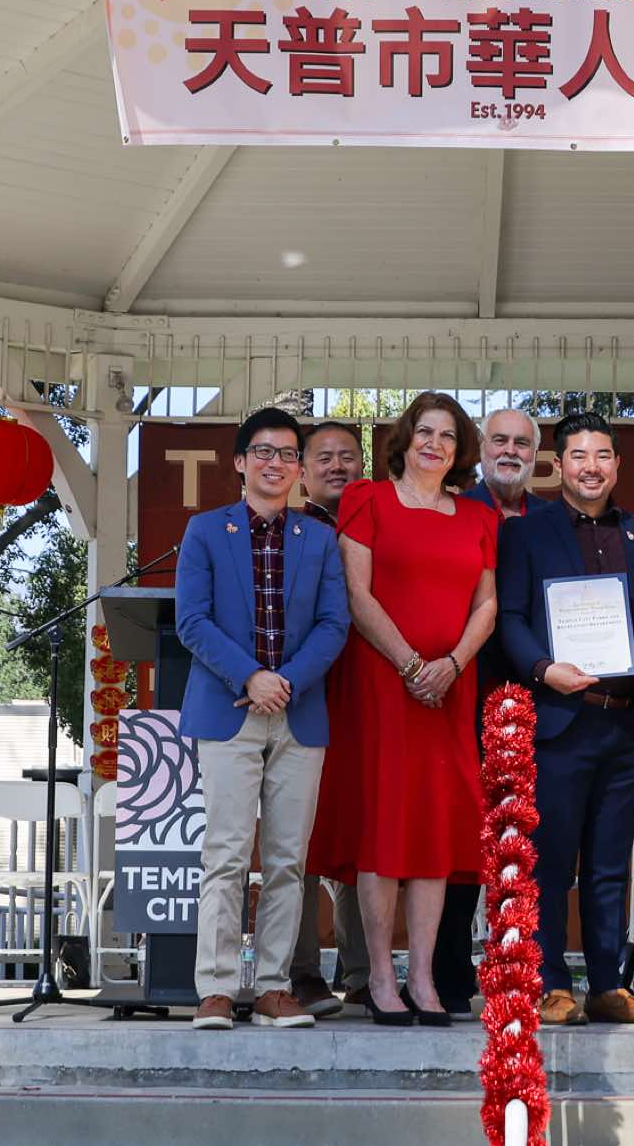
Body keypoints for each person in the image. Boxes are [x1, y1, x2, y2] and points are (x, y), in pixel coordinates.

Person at [306, 391, 499, 1027]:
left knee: (434, 831)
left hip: (449, 690)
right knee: (385, 828)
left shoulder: (478, 517)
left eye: (447, 436)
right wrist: (413, 665)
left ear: (459, 450)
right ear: (405, 439)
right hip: (383, 685)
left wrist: (452, 665)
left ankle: (422, 976)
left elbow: (487, 605)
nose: (434, 444)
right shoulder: (368, 500)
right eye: (424, 431)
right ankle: (381, 978)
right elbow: (356, 595)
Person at [175, 407, 351, 1031]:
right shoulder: (205, 531)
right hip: (228, 712)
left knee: (287, 861)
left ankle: (275, 986)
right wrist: (250, 677)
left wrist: (287, 681)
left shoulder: (319, 538)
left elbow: (334, 623)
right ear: (240, 462)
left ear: (299, 469)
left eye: (287, 454)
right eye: (264, 452)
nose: (276, 463)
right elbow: (191, 620)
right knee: (225, 855)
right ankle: (217, 989)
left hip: (298, 715)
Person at [496, 411, 634, 1026]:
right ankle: (550, 985)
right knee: (551, 861)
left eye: (601, 456)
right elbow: (509, 618)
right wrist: (544, 669)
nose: (590, 467)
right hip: (559, 719)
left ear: (617, 464)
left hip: (623, 725)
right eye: (578, 456)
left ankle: (607, 985)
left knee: (609, 864)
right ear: (558, 465)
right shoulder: (526, 533)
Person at [435, 406, 548, 1020]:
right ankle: (448, 975)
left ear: (536, 455)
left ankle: (530, 976)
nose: (510, 451)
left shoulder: (552, 521)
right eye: (499, 440)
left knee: (529, 844)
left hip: (543, 699)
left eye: (521, 443)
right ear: (479, 452)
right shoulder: (453, 511)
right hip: (460, 694)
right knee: (461, 840)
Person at [289, 419, 368, 1017]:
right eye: (324, 457)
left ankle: (363, 972)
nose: (337, 466)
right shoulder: (288, 531)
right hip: (304, 692)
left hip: (366, 696)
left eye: (348, 456)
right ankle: (299, 972)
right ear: (301, 471)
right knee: (299, 838)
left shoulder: (379, 526)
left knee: (360, 835)